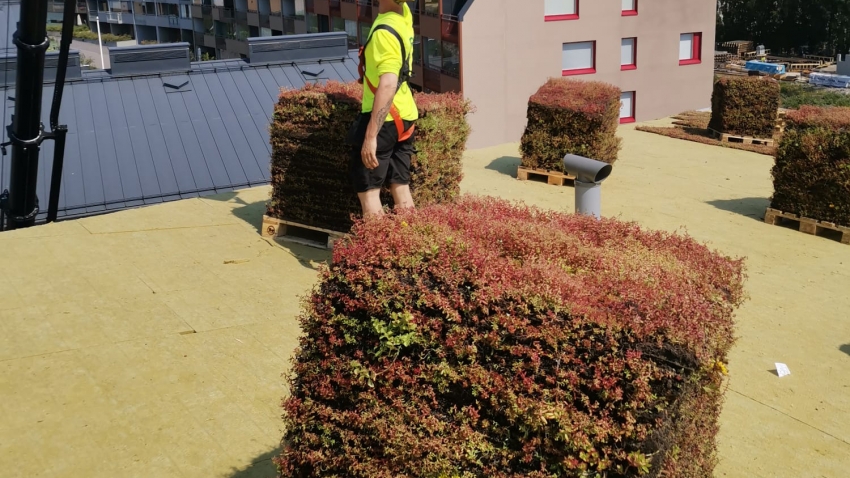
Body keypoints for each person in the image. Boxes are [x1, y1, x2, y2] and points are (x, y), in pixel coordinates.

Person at [349, 0, 418, 216]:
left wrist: (371, 136)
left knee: (369, 191)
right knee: (400, 185)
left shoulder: (383, 33)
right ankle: (412, 242)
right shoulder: (403, 15)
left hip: (384, 120)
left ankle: (379, 248)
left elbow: (388, 84)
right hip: (405, 115)